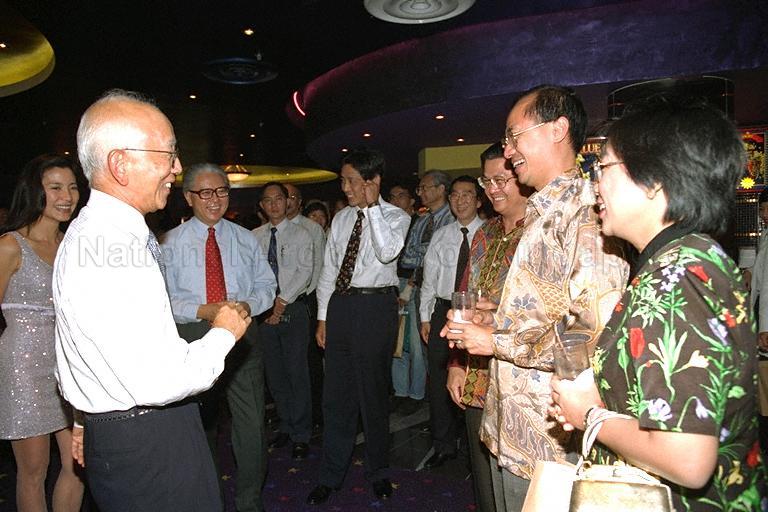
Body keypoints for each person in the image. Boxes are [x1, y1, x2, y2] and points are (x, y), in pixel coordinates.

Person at [550, 96, 766, 511]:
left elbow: (686, 459)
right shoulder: (686, 258)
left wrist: (591, 415)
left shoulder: (678, 274)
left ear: (655, 180)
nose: (595, 182)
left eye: (605, 166)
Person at [53, 89, 251, 512]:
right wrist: (224, 334)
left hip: (126, 428)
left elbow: (75, 343)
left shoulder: (97, 232)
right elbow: (160, 379)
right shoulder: (107, 244)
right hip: (149, 435)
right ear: (121, 164)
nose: (177, 169)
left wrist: (84, 417)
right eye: (168, 155)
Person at [442, 85, 628, 510]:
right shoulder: (542, 214)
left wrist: (496, 341)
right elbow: (546, 308)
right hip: (511, 424)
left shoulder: (586, 213)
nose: (508, 151)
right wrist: (496, 317)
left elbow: (589, 332)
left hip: (549, 440)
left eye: (514, 135)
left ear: (558, 129)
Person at [162, 162, 276, 512]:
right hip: (192, 335)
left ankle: (248, 502)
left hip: (242, 333)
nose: (215, 199)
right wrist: (205, 311)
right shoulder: (169, 242)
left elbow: (267, 286)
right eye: (206, 192)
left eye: (222, 191)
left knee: (251, 421)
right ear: (188, 197)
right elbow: (164, 299)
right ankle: (205, 496)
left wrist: (248, 303)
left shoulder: (245, 237)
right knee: (199, 423)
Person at [307, 148, 410, 505]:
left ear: (372, 181)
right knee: (335, 397)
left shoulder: (396, 216)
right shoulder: (340, 219)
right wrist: (322, 317)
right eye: (343, 180)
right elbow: (329, 270)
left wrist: (371, 210)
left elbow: (387, 252)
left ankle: (379, 471)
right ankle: (330, 475)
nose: (345, 187)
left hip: (375, 306)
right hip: (341, 306)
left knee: (373, 394)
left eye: (351, 181)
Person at [445, 142, 532, 512]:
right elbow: (464, 298)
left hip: (524, 379)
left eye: (502, 179)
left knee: (524, 488)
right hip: (478, 376)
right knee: (485, 481)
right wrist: (456, 364)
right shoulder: (484, 234)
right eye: (487, 180)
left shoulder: (542, 233)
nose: (493, 188)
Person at [0, 154, 84, 512]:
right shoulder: (9, 245)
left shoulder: (74, 245)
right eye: (55, 188)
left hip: (68, 365)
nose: (66, 196)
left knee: (78, 464)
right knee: (34, 471)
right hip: (23, 366)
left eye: (72, 187)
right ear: (35, 192)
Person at [419, 175, 484, 468]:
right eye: (455, 195)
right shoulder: (442, 234)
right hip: (442, 314)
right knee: (438, 381)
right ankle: (443, 444)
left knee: (474, 379)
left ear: (479, 200)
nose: (460, 200)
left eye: (467, 194)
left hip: (477, 317)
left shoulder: (489, 234)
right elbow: (429, 279)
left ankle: (477, 447)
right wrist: (424, 316)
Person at [254, 181, 314, 460]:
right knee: (275, 375)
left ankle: (302, 433)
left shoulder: (302, 234)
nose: (275, 204)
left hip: (293, 310)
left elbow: (305, 272)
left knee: (296, 373)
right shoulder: (253, 237)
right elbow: (251, 275)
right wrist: (266, 305)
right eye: (269, 200)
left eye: (280, 198)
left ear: (287, 201)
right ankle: (286, 426)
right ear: (263, 207)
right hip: (263, 313)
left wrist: (281, 302)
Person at [393, 170, 453, 415]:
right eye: (420, 188)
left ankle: (419, 394)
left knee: (420, 345)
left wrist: (413, 280)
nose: (422, 193)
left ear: (441, 189)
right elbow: (408, 254)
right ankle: (403, 392)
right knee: (402, 341)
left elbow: (429, 259)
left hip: (428, 288)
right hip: (409, 283)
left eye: (425, 187)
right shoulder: (422, 219)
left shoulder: (449, 219)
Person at [285, 182, 327, 428]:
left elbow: (319, 267)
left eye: (292, 196)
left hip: (306, 299)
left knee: (309, 360)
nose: (287, 201)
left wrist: (307, 302)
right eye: (284, 196)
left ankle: (315, 413)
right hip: (278, 302)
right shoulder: (268, 231)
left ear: (299, 201)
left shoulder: (311, 228)